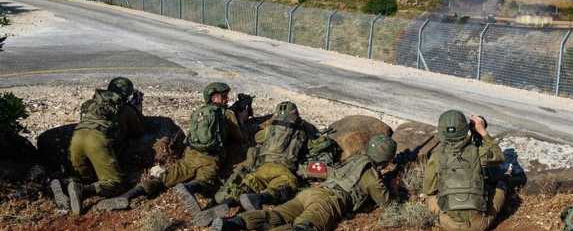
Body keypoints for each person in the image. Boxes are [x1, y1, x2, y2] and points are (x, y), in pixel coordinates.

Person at [96, 82, 246, 220]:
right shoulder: (226, 114)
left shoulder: (199, 112)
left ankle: (128, 195)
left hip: (190, 155)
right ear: (216, 98)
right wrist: (241, 119)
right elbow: (240, 137)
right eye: (224, 96)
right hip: (210, 159)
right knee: (205, 183)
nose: (227, 99)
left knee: (163, 179)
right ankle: (188, 188)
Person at [211, 134, 397, 231]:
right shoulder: (371, 176)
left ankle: (233, 223)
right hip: (328, 202)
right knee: (304, 227)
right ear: (385, 159)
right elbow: (387, 203)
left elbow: (328, 171)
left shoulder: (354, 159)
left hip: (310, 193)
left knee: (277, 215)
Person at [207, 101, 315, 224]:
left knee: (248, 184)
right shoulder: (304, 129)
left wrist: (271, 127)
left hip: (264, 167)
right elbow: (314, 144)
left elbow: (258, 137)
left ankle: (227, 203)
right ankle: (258, 198)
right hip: (284, 169)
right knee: (282, 187)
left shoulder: (272, 127)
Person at [51, 77, 147, 215]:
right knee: (115, 184)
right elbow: (139, 131)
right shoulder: (125, 109)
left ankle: (64, 184)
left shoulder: (90, 103)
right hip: (97, 142)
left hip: (77, 139)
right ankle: (83, 190)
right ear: (127, 94)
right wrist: (136, 109)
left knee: (86, 177)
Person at [423, 110, 506, 231]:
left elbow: (429, 189)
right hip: (477, 225)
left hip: (448, 225)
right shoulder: (478, 152)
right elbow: (499, 156)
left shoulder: (437, 156)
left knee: (429, 197)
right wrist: (482, 131)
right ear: (466, 129)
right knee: (501, 186)